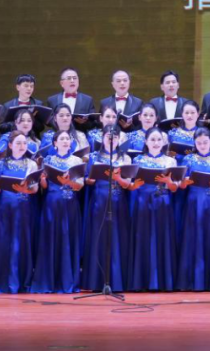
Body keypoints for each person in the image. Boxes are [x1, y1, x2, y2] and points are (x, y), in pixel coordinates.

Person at [79, 124, 139, 293]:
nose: (111, 140)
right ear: (102, 137)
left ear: (119, 139)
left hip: (118, 201)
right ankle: (96, 281)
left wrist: (118, 178)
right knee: (98, 238)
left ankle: (118, 281)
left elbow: (128, 185)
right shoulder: (93, 157)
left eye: (115, 137)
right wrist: (91, 178)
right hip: (99, 200)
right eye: (108, 137)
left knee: (117, 238)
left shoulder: (125, 158)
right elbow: (87, 181)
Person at [176, 128, 210, 291]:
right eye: (199, 143)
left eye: (205, 142)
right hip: (193, 203)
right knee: (194, 238)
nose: (202, 145)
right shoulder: (188, 159)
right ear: (194, 143)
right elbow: (181, 184)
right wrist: (185, 182)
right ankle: (192, 281)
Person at [31, 131, 85, 293]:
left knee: (68, 240)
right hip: (51, 204)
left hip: (70, 204)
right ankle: (49, 281)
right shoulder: (48, 160)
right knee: (51, 240)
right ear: (55, 143)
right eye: (62, 139)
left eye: (68, 139)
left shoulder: (76, 161)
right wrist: (42, 179)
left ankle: (68, 281)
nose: (65, 141)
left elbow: (80, 186)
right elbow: (45, 187)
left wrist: (68, 182)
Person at [129, 128, 180, 292]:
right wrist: (134, 185)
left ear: (164, 142)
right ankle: (142, 281)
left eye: (159, 140)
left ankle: (164, 281)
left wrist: (169, 182)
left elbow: (174, 188)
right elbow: (130, 185)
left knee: (162, 238)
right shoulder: (137, 160)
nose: (156, 143)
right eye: (152, 139)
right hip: (143, 202)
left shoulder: (170, 161)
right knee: (143, 238)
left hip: (163, 202)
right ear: (146, 142)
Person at [0, 133, 39, 293]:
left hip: (23, 208)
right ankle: (2, 282)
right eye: (18, 143)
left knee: (21, 243)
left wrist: (24, 189)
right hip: (5, 208)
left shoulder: (31, 164)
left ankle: (21, 281)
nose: (22, 146)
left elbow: (35, 189)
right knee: (4, 243)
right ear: (10, 145)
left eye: (24, 143)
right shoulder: (1, 163)